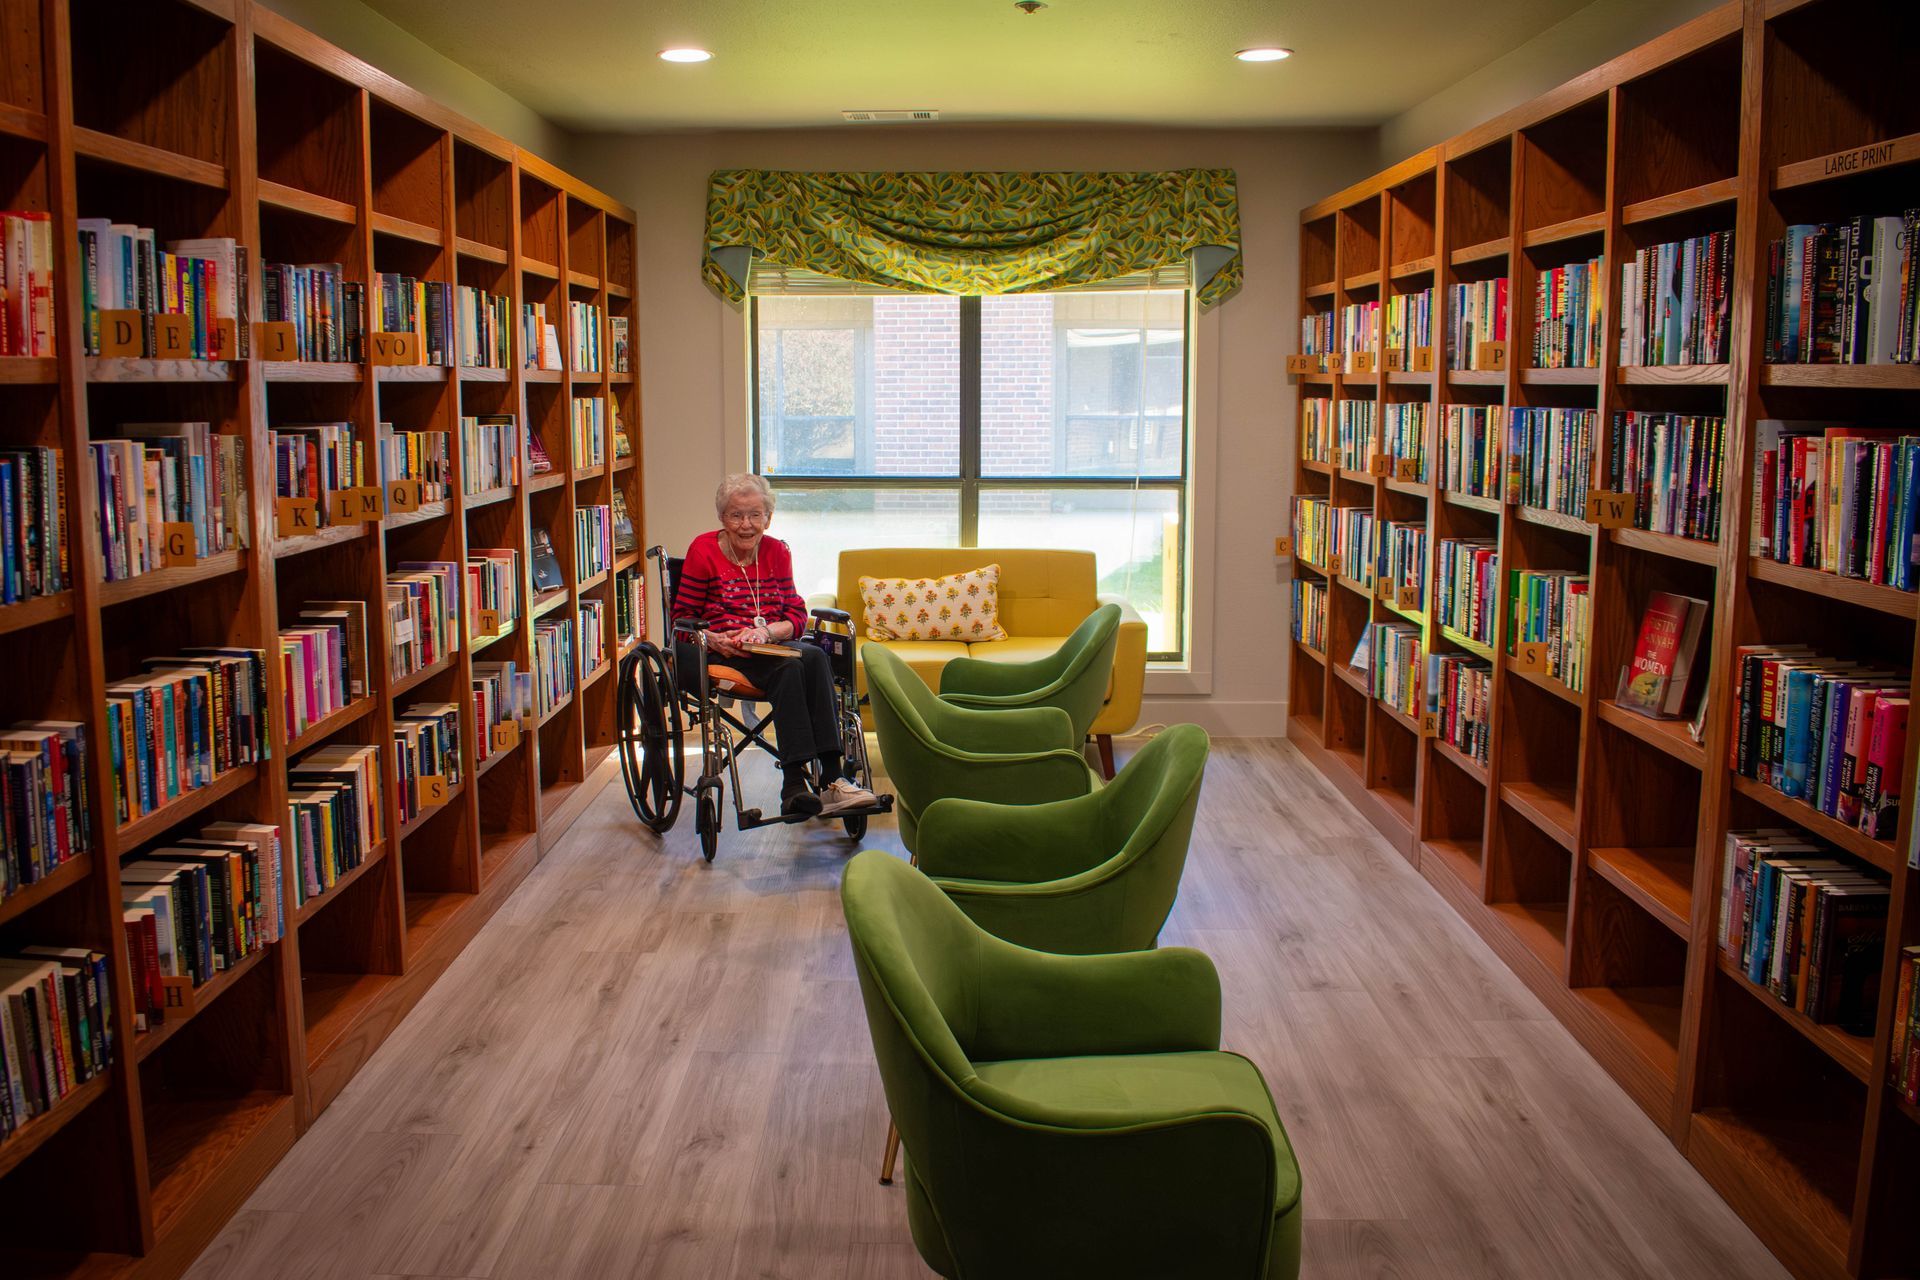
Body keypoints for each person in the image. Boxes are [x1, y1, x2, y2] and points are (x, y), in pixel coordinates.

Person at [671, 473, 878, 818]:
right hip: (729, 653)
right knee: (795, 663)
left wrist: (768, 634)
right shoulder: (703, 552)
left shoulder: (777, 551)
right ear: (722, 517)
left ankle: (826, 778)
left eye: (756, 515)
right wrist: (718, 640)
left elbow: (796, 614)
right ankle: (800, 781)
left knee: (812, 656)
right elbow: (682, 623)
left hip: (773, 646)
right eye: (736, 515)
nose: (747, 525)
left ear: (768, 517)